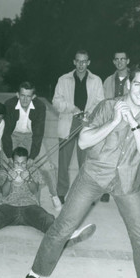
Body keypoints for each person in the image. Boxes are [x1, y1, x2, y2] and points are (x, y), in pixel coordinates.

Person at [19, 62, 140, 278]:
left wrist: (133, 123)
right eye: (138, 84)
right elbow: (83, 141)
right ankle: (34, 273)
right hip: (93, 176)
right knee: (63, 227)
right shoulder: (108, 106)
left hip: (127, 183)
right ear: (129, 83)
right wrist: (114, 122)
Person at [0, 147, 95, 244]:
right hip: (9, 206)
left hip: (30, 207)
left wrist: (29, 178)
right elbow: (5, 193)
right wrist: (8, 179)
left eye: (23, 163)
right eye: (17, 163)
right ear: (12, 162)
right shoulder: (5, 172)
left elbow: (35, 190)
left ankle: (67, 237)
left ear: (27, 162)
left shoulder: (32, 171)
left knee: (46, 218)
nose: (20, 166)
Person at [52, 50, 104, 204]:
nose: (81, 64)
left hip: (87, 124)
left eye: (84, 61)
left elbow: (100, 102)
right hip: (68, 121)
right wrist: (72, 108)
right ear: (74, 62)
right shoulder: (63, 79)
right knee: (63, 162)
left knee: (86, 162)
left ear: (89, 63)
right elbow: (56, 101)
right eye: (78, 61)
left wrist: (89, 114)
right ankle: (61, 192)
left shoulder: (96, 80)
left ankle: (86, 193)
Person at [2, 82, 62, 211]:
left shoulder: (40, 107)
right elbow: (5, 132)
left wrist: (33, 156)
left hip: (31, 136)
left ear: (33, 96)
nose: (24, 99)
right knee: (5, 165)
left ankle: (54, 195)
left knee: (46, 166)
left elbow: (38, 133)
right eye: (22, 95)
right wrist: (8, 155)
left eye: (28, 96)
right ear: (17, 94)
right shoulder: (9, 104)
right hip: (14, 135)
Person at [100, 50, 130, 202]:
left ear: (128, 61)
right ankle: (106, 189)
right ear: (113, 62)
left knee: (126, 158)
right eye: (117, 59)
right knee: (109, 157)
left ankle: (123, 190)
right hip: (112, 123)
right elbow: (104, 103)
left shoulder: (135, 79)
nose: (120, 62)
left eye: (122, 59)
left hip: (128, 123)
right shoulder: (107, 81)